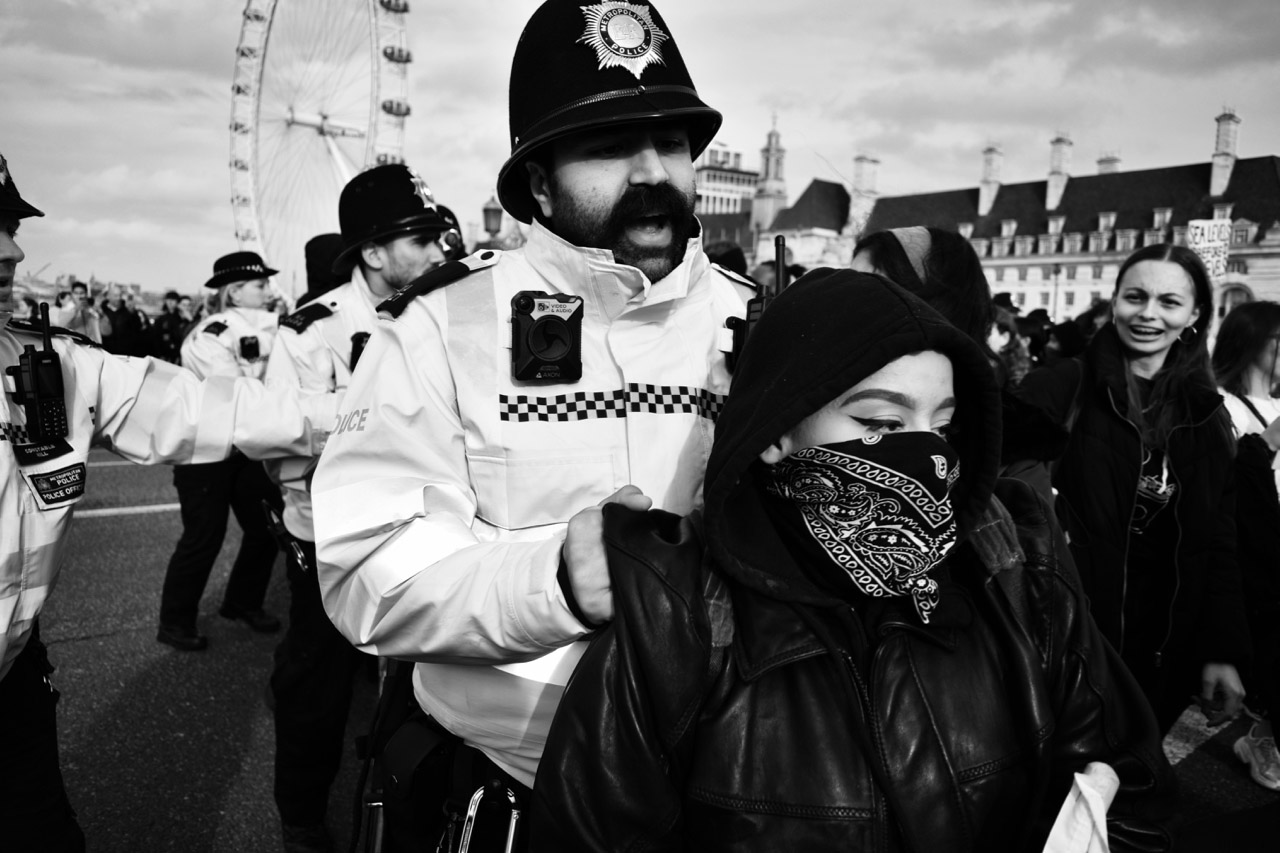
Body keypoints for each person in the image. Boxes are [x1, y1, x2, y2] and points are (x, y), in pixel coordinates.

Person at [530, 269, 1176, 851]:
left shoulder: (1013, 566)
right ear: (777, 431)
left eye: (942, 426)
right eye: (880, 423)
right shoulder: (676, 611)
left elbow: (1129, 783)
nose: (925, 457)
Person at [311, 0, 752, 847]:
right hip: (515, 792)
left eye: (671, 141)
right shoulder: (439, 328)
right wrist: (553, 583)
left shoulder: (763, 325)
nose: (652, 170)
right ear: (539, 182)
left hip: (725, 789)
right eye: (608, 146)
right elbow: (367, 568)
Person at [0, 149, 337, 852]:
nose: (14, 249)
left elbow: (206, 407)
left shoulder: (49, 364)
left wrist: (367, 411)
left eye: (11, 225)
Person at [264, 167, 454, 852]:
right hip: (328, 540)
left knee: (417, 695)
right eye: (423, 237)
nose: (440, 251)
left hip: (427, 538)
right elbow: (278, 441)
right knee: (313, 691)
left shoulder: (442, 318)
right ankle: (302, 815)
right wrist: (369, 423)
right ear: (373, 252)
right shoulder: (310, 331)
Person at [1017, 243, 1248, 734]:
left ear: (1194, 316)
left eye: (1169, 302)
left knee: (1130, 787)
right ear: (1115, 301)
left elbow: (1219, 545)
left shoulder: (1207, 414)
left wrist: (1221, 651)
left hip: (1162, 651)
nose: (1148, 314)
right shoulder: (1061, 386)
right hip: (1064, 641)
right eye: (1135, 297)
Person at [156, 251, 290, 651]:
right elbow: (232, 395)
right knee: (204, 537)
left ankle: (242, 602)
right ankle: (175, 622)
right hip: (206, 451)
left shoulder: (273, 328)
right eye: (260, 283)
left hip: (247, 447)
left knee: (267, 528)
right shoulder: (210, 333)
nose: (268, 289)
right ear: (234, 292)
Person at [1211, 300, 1280, 791]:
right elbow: (1222, 482)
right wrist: (1270, 439)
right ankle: (1263, 740)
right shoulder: (1222, 404)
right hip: (1252, 551)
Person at [148, 289, 186, 363]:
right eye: (168, 299)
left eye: (173, 300)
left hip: (179, 354)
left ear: (177, 302)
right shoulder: (161, 319)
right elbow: (156, 338)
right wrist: (159, 355)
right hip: (164, 354)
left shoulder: (182, 318)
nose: (170, 302)